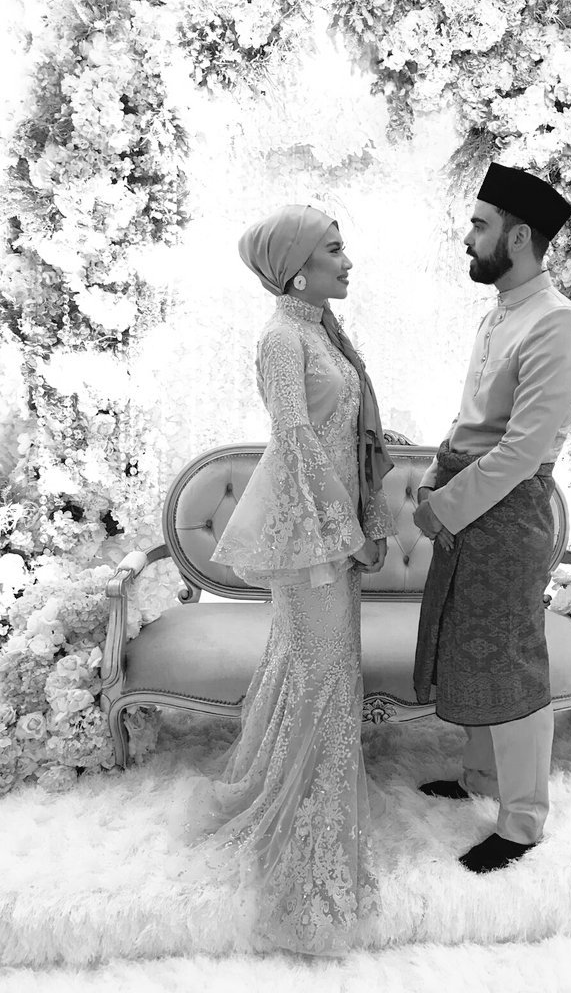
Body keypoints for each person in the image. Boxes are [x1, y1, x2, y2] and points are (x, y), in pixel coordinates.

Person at [180, 205, 397, 956]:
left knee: (323, 669)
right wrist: (350, 533)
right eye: (334, 249)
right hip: (310, 536)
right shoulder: (282, 337)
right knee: (320, 672)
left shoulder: (320, 330)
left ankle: (302, 784)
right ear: (297, 269)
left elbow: (346, 434)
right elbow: (298, 445)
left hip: (331, 529)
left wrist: (372, 493)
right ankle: (308, 823)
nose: (348, 260)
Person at [412, 164, 571, 874]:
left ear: (519, 237)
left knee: (510, 664)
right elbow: (472, 421)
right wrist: (435, 475)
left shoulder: (557, 322)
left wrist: (444, 508)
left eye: (480, 225)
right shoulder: (500, 313)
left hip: (508, 515)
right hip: (471, 499)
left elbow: (522, 451)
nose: (468, 237)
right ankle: (481, 779)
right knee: (471, 648)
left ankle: (521, 823)